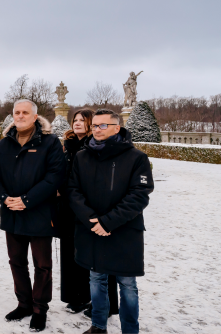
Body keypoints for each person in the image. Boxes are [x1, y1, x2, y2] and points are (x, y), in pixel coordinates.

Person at [68, 109, 154, 334]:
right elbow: (73, 191)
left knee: (127, 285)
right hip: (91, 230)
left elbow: (139, 195)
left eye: (102, 125)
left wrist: (108, 222)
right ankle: (98, 326)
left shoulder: (136, 157)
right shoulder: (82, 156)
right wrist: (91, 221)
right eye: (94, 125)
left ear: (117, 128)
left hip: (124, 231)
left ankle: (130, 330)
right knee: (96, 280)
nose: (97, 129)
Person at [0, 99, 65, 332]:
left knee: (42, 265)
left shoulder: (50, 143)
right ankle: (24, 303)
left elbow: (54, 177)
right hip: (11, 213)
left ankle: (40, 308)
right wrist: (4, 198)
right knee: (16, 262)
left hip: (39, 213)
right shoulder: (5, 144)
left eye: (25, 113)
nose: (20, 116)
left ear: (35, 117)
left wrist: (26, 200)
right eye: (17, 112)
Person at [59, 109, 119, 319]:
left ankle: (107, 303)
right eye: (74, 120)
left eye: (82, 120)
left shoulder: (97, 146)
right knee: (73, 255)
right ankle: (78, 296)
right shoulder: (68, 145)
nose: (76, 123)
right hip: (69, 208)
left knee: (99, 257)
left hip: (91, 209)